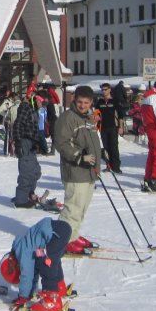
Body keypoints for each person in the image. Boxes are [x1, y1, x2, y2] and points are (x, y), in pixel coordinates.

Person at [53, 85, 102, 255]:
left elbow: (92, 142)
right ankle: (64, 240)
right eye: (80, 102)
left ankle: (73, 235)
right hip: (75, 171)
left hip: (89, 171)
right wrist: (79, 157)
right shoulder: (69, 118)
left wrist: (102, 155)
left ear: (91, 102)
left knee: (82, 208)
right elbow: (61, 143)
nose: (82, 105)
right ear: (74, 100)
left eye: (86, 103)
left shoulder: (88, 118)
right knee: (72, 208)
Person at [0, 217, 73, 311]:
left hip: (57, 233)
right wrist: (31, 293)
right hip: (61, 230)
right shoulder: (23, 246)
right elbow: (33, 272)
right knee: (50, 259)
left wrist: (23, 297)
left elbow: (27, 275)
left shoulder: (23, 252)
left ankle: (52, 299)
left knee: (46, 260)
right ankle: (59, 287)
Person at [11, 95, 41, 207]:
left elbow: (33, 128)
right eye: (41, 102)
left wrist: (37, 142)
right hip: (24, 142)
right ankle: (21, 200)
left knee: (36, 171)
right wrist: (18, 143)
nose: (42, 105)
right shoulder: (26, 108)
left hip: (31, 143)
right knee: (27, 172)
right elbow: (17, 125)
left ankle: (29, 193)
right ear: (36, 100)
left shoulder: (33, 110)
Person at [95, 83, 122, 174]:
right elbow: (96, 112)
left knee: (114, 147)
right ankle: (108, 165)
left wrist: (120, 127)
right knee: (106, 148)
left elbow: (120, 115)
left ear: (110, 89)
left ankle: (116, 166)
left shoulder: (115, 101)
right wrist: (96, 118)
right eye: (102, 90)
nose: (104, 91)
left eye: (105, 89)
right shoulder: (100, 102)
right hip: (103, 127)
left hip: (113, 127)